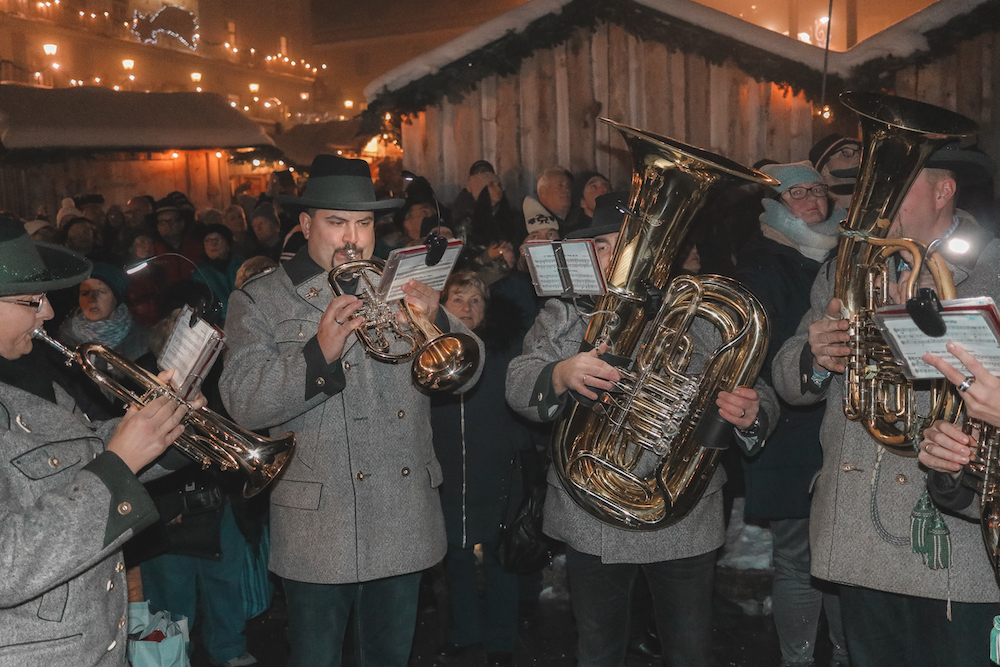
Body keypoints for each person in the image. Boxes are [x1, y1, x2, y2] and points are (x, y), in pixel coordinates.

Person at [218, 154, 484, 667]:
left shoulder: (397, 281)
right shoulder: (262, 299)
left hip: (403, 512)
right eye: (336, 222)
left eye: (362, 224)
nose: (352, 238)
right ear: (305, 224)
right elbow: (243, 400)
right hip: (320, 527)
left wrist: (442, 317)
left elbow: (466, 370)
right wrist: (317, 353)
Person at [506, 194, 778, 667]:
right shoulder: (567, 311)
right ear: (590, 254)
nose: (619, 258)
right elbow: (516, 381)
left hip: (682, 508)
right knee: (598, 648)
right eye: (607, 246)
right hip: (590, 512)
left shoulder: (699, 311)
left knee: (690, 650)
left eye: (631, 245)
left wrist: (753, 413)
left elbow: (759, 387)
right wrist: (560, 374)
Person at [770, 139, 1000, 666]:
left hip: (949, 537)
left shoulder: (993, 269)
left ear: (945, 191)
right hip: (858, 530)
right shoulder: (846, 266)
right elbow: (787, 380)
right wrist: (814, 354)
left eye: (898, 184)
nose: (876, 200)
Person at [0, 213, 193, 666]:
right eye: (33, 301)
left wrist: (164, 427)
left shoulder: (27, 368)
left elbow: (72, 452)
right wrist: (117, 465)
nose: (48, 312)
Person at [733, 161, 848, 667]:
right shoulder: (760, 265)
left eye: (817, 190)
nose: (812, 201)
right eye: (797, 193)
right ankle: (797, 659)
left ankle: (847, 655)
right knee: (800, 560)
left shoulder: (848, 255)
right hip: (788, 428)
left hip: (840, 429)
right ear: (776, 205)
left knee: (844, 561)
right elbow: (757, 353)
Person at [432, 271, 532, 667]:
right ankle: (463, 631)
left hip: (497, 466)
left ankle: (501, 639)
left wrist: (516, 447)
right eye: (459, 299)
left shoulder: (504, 349)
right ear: (442, 304)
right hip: (447, 468)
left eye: (476, 300)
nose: (467, 308)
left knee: (498, 554)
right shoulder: (427, 350)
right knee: (454, 553)